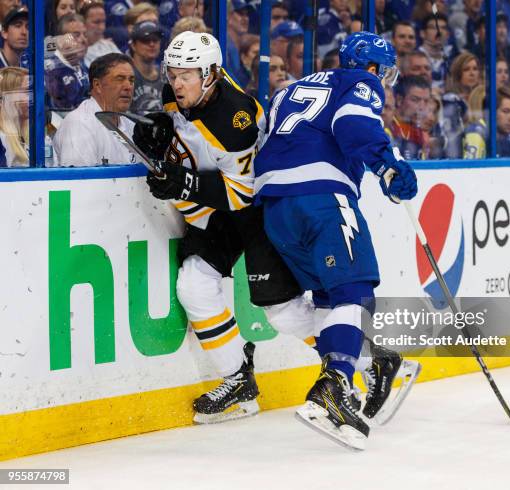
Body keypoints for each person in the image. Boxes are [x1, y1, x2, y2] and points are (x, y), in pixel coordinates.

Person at [132, 31, 418, 428]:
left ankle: (360, 365)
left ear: (211, 73)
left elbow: (243, 191)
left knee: (286, 308)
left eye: (187, 74)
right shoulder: (178, 91)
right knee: (201, 287)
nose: (177, 82)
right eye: (173, 73)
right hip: (249, 207)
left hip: (256, 208)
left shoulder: (241, 117)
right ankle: (247, 380)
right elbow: (188, 131)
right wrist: (160, 130)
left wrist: (183, 183)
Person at [254, 31, 419, 450]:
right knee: (355, 290)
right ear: (370, 67)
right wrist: (388, 166)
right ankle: (335, 388)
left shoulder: (287, 90)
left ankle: (367, 367)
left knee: (329, 299)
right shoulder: (358, 81)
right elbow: (354, 125)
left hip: (274, 206)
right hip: (321, 196)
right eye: (382, 71)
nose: (382, 80)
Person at [52, 53, 139, 166]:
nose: (128, 87)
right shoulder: (79, 125)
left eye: (131, 80)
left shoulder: (131, 127)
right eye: (120, 79)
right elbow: (82, 180)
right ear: (97, 85)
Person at [44, 13, 90, 111]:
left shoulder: (84, 67)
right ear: (60, 39)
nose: (83, 40)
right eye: (76, 35)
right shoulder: (50, 70)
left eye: (85, 35)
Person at [392, 74, 431, 160]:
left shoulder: (422, 133)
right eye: (415, 100)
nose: (422, 107)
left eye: (426, 101)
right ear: (399, 100)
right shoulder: (386, 126)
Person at [128, 21, 163, 114]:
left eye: (155, 40)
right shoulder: (126, 76)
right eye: (145, 40)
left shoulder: (166, 76)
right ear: (133, 45)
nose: (152, 44)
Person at [0, 67, 29, 167]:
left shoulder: (30, 135)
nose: (31, 98)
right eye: (26, 91)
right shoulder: (2, 139)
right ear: (7, 96)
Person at [81, 1, 120, 68]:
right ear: (82, 23)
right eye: (96, 22)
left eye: (103, 21)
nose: (102, 27)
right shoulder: (76, 54)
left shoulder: (109, 45)